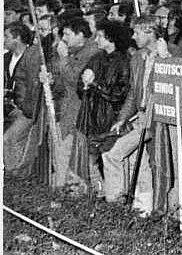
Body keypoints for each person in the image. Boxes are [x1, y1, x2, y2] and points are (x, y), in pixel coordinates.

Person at [103, 16, 170, 215]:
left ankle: (115, 205)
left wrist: (165, 58)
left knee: (113, 155)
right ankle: (143, 207)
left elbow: (173, 84)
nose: (133, 37)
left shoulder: (169, 53)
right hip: (141, 117)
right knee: (138, 163)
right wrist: (122, 118)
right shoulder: (138, 57)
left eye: (137, 32)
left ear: (150, 31)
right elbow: (133, 93)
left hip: (158, 119)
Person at [76, 20, 132, 197]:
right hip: (92, 118)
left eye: (100, 36)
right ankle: (100, 193)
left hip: (110, 120)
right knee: (92, 159)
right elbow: (81, 85)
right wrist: (85, 85)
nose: (96, 39)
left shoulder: (123, 62)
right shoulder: (95, 59)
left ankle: (114, 196)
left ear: (111, 38)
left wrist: (95, 84)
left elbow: (119, 94)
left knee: (107, 157)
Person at [50, 17, 101, 190]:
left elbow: (75, 80)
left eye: (67, 34)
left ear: (80, 34)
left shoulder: (91, 53)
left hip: (82, 112)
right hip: (69, 111)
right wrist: (51, 80)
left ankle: (93, 192)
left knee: (81, 157)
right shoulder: (74, 52)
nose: (64, 38)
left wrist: (64, 58)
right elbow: (62, 82)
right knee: (65, 153)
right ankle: (66, 190)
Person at [3, 22, 45, 178]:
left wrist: (24, 107)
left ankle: (15, 173)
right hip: (10, 106)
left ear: (18, 38)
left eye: (6, 36)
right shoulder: (6, 58)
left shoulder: (33, 56)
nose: (3, 40)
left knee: (9, 138)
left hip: (26, 109)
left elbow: (32, 86)